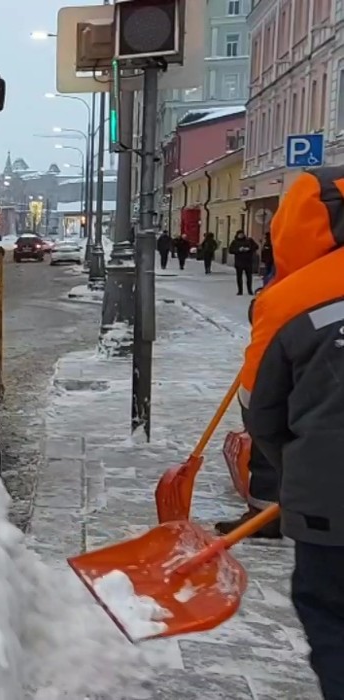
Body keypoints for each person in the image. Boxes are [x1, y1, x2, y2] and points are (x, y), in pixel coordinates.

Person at [241, 166, 344, 698]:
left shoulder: (288, 301)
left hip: (330, 506)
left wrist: (295, 473)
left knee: (332, 619)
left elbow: (260, 413)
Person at [228, 230, 258, 295]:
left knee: (249, 277)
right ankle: (240, 291)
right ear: (237, 235)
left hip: (248, 261)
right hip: (239, 262)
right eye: (239, 234)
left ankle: (250, 290)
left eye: (242, 234)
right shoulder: (235, 242)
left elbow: (256, 247)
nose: (241, 235)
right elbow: (230, 250)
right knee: (239, 277)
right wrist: (238, 250)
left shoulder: (249, 240)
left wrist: (249, 249)